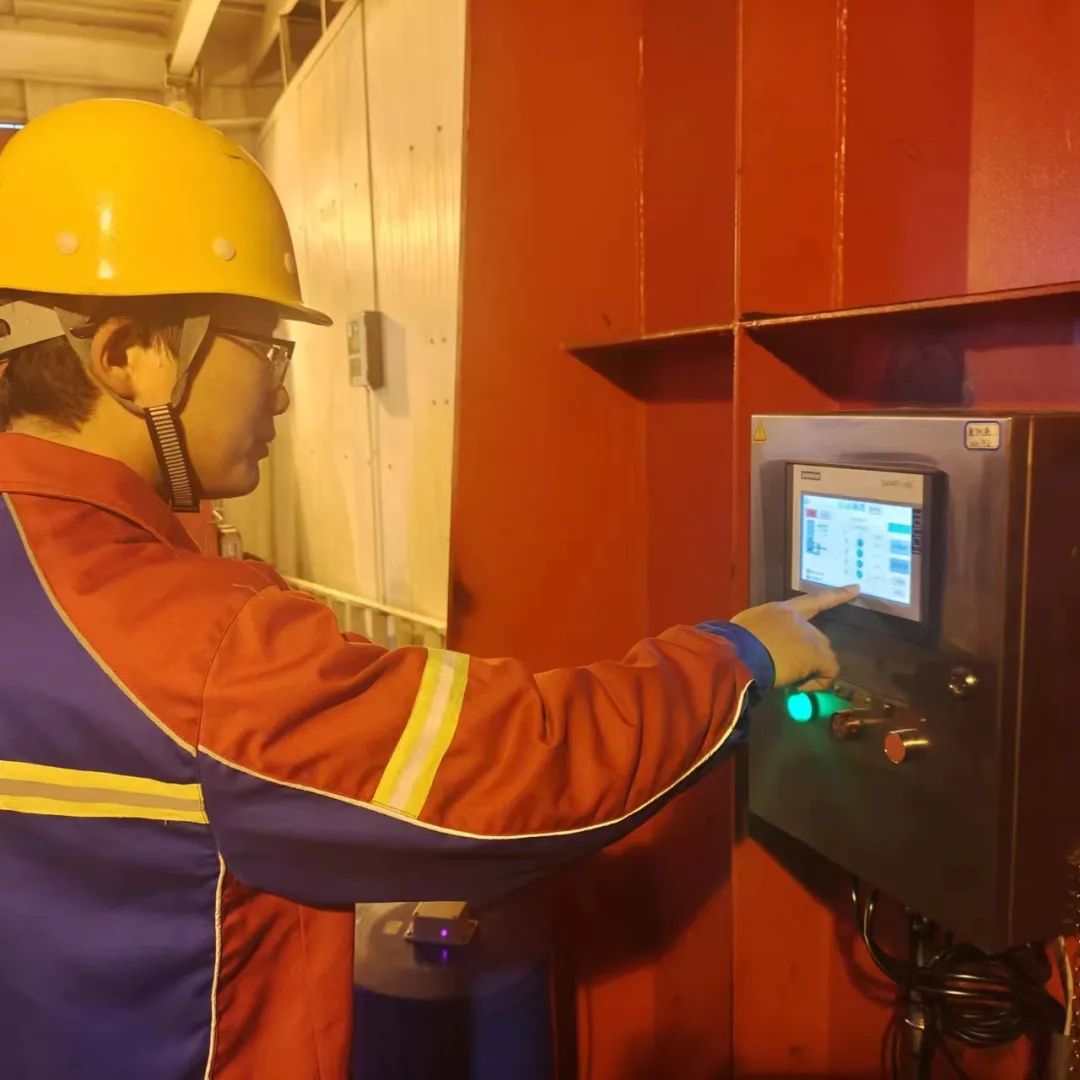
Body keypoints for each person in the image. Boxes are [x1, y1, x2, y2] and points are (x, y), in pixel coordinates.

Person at [0, 98, 856, 1080]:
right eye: (264, 347)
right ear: (128, 356)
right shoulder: (187, 645)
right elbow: (515, 766)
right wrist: (739, 655)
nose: (282, 390)